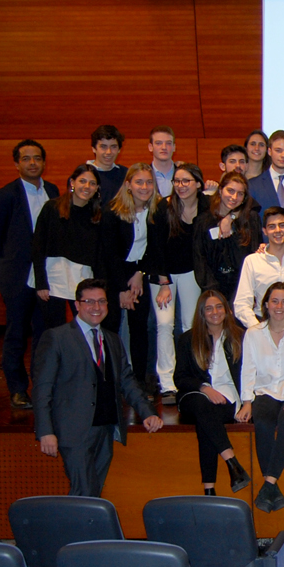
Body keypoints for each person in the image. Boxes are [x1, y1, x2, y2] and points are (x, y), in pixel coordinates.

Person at [33, 278, 163, 497]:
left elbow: (127, 381)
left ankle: (89, 531)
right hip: (74, 432)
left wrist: (147, 412)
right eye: (89, 302)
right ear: (77, 304)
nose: (96, 308)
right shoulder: (57, 338)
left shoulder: (112, 339)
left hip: (105, 429)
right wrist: (45, 431)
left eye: (101, 302)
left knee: (94, 494)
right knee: (83, 493)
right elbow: (42, 388)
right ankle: (79, 532)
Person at [0, 139, 60, 409]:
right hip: (17, 276)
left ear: (44, 162)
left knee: (44, 334)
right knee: (16, 333)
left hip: (47, 277)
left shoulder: (52, 190)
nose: (32, 163)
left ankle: (41, 385)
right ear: (16, 163)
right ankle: (17, 389)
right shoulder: (5, 195)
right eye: (26, 158)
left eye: (37, 158)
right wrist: (12, 260)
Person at [236, 282, 284, 513]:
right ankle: (272, 488)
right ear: (266, 304)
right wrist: (247, 401)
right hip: (265, 392)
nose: (279, 306)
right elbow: (248, 370)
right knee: (263, 422)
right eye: (275, 301)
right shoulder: (253, 333)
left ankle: (268, 483)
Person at [173, 290, 252, 496]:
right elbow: (180, 378)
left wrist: (247, 402)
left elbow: (252, 373)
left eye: (219, 307)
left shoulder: (241, 337)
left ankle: (209, 489)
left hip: (229, 399)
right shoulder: (187, 339)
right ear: (201, 313)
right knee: (203, 406)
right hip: (194, 396)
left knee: (206, 422)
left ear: (226, 310)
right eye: (208, 308)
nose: (214, 312)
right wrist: (205, 388)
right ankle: (231, 461)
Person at [98, 163, 162, 396]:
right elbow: (109, 255)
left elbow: (155, 248)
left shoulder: (156, 211)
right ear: (128, 185)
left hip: (140, 272)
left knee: (140, 329)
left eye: (148, 182)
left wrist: (140, 275)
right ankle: (108, 380)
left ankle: (139, 381)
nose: (144, 187)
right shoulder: (112, 213)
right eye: (139, 182)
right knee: (110, 328)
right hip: (114, 275)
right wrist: (121, 290)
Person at [152, 163, 207, 396]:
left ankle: (190, 376)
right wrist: (164, 282)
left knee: (191, 326)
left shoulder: (207, 206)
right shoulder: (163, 208)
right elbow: (156, 248)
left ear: (198, 184)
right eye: (177, 181)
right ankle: (166, 383)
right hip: (163, 274)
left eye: (186, 181)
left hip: (191, 274)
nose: (181, 186)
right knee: (164, 325)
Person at [32, 164, 103, 319]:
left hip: (83, 277)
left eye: (92, 183)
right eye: (82, 181)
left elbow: (99, 256)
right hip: (53, 278)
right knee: (53, 331)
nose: (87, 186)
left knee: (84, 328)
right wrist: (41, 283)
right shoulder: (52, 208)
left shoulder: (97, 216)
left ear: (97, 187)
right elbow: (38, 247)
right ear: (72, 182)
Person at [234, 207, 284, 328]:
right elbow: (241, 303)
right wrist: (258, 329)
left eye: (282, 225)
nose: (277, 230)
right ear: (264, 231)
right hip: (262, 323)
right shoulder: (252, 261)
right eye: (272, 226)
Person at [194, 171, 262, 301]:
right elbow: (199, 259)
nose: (234, 197)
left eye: (240, 193)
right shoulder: (203, 221)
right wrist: (212, 292)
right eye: (230, 191)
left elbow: (254, 255)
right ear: (220, 190)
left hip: (243, 288)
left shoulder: (251, 220)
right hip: (213, 288)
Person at [248, 130, 284, 239]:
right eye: (278, 150)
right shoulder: (253, 185)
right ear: (269, 151)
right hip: (264, 250)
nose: (283, 155)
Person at [89, 125, 128, 204]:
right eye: (103, 147)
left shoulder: (126, 174)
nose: (108, 152)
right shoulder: (82, 175)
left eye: (113, 147)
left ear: (119, 149)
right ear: (93, 148)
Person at [147, 126, 178, 197]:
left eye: (168, 143)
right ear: (150, 147)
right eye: (158, 143)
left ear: (174, 147)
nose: (164, 147)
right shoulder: (143, 175)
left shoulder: (185, 176)